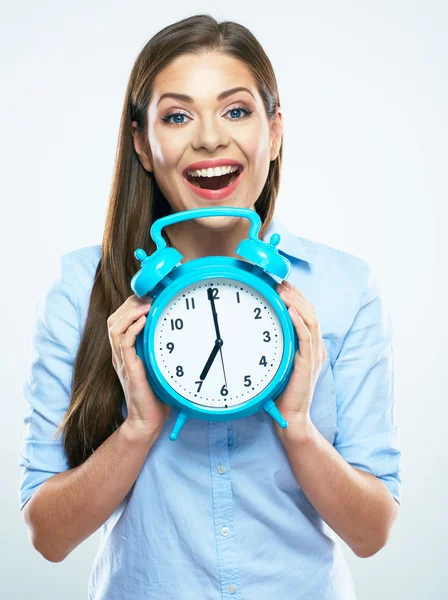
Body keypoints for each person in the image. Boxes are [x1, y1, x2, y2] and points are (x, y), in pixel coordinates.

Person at [18, 14, 402, 600]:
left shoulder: (344, 288)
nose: (209, 138)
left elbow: (373, 533)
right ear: (143, 145)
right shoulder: (83, 288)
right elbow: (47, 535)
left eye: (236, 110)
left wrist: (297, 427)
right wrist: (139, 428)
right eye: (177, 116)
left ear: (274, 133)